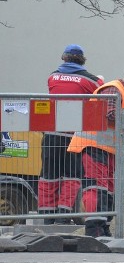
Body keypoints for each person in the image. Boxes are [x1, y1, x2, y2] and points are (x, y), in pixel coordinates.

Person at [67, 66, 124, 237]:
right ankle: (94, 229)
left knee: (108, 190)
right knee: (96, 189)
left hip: (107, 151)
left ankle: (104, 227)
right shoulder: (114, 89)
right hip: (93, 147)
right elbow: (111, 115)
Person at [38, 44, 104, 224]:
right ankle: (64, 215)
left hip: (51, 135)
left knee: (48, 176)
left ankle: (46, 216)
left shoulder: (52, 77)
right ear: (82, 60)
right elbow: (103, 91)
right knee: (71, 176)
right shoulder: (90, 81)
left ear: (64, 58)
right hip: (74, 137)